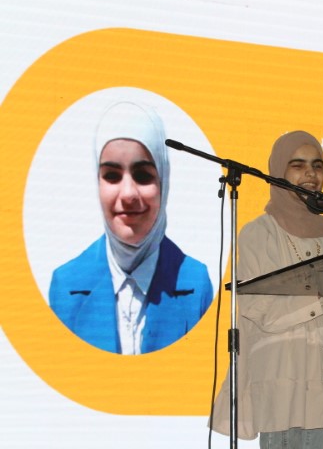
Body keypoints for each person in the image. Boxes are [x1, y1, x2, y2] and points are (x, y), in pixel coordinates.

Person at [211, 131, 323, 448]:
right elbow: (260, 308)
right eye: (298, 165)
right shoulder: (259, 233)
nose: (311, 173)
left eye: (317, 165)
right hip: (283, 386)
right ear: (278, 171)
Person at [48, 101, 214, 355]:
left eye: (143, 175)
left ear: (164, 181)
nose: (127, 194)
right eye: (112, 176)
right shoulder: (66, 285)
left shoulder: (196, 283)